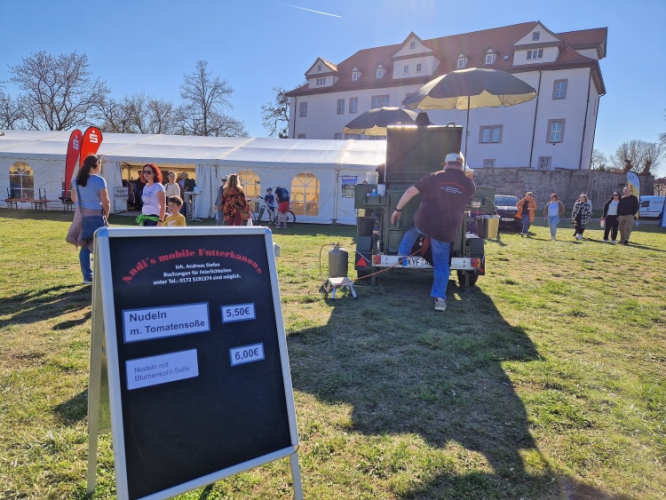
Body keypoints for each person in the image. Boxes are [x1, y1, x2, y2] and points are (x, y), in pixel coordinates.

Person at [390, 152, 475, 312]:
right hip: (446, 229)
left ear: (446, 164)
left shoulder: (434, 177)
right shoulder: (469, 185)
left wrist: (397, 210)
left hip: (425, 222)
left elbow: (409, 192)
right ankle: (440, 299)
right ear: (462, 166)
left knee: (413, 228)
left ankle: (402, 255)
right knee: (442, 265)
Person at [66, 154, 110, 284]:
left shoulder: (77, 179)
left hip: (80, 214)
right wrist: (106, 215)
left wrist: (83, 202)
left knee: (84, 244)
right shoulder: (99, 180)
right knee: (100, 244)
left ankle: (87, 276)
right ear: (97, 166)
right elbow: (106, 201)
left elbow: (73, 198)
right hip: (95, 213)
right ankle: (102, 274)